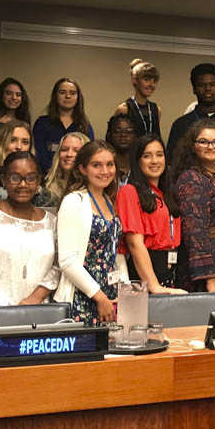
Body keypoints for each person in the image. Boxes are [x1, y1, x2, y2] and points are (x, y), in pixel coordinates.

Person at [0, 151, 60, 307]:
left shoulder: (51, 222)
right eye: (15, 178)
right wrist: (0, 304)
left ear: (38, 181)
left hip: (35, 311)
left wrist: (35, 298)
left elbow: (57, 266)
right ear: (4, 180)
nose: (23, 184)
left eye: (30, 178)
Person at [55, 140, 126, 326]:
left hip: (110, 296)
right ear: (82, 169)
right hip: (83, 296)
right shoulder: (74, 201)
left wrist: (123, 290)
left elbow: (113, 251)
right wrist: (100, 297)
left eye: (110, 164)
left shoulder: (108, 201)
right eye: (96, 165)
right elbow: (67, 261)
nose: (105, 171)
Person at [172, 119, 215, 306]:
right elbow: (195, 231)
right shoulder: (191, 178)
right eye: (204, 141)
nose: (211, 146)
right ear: (193, 146)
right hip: (207, 261)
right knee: (211, 316)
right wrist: (209, 277)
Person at [116, 134, 186, 294]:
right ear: (137, 160)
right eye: (147, 156)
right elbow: (134, 243)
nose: (155, 161)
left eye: (159, 155)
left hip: (171, 270)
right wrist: (153, 285)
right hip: (145, 275)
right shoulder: (129, 192)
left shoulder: (165, 193)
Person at [33, 78, 94, 173]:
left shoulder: (85, 126)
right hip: (46, 178)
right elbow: (38, 153)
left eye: (72, 93)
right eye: (62, 92)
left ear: (78, 97)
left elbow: (89, 156)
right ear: (55, 96)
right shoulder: (42, 124)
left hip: (76, 179)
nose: (67, 96)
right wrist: (54, 175)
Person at [42, 132, 90, 208]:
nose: (69, 154)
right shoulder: (45, 189)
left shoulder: (92, 190)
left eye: (76, 151)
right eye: (64, 149)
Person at [114, 59, 161, 136]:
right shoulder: (124, 109)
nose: (151, 85)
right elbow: (114, 139)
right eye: (146, 80)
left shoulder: (156, 110)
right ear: (135, 80)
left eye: (154, 81)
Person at [106, 114, 137, 188]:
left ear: (136, 136)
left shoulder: (141, 168)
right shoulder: (103, 169)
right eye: (117, 131)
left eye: (129, 132)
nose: (123, 135)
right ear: (109, 136)